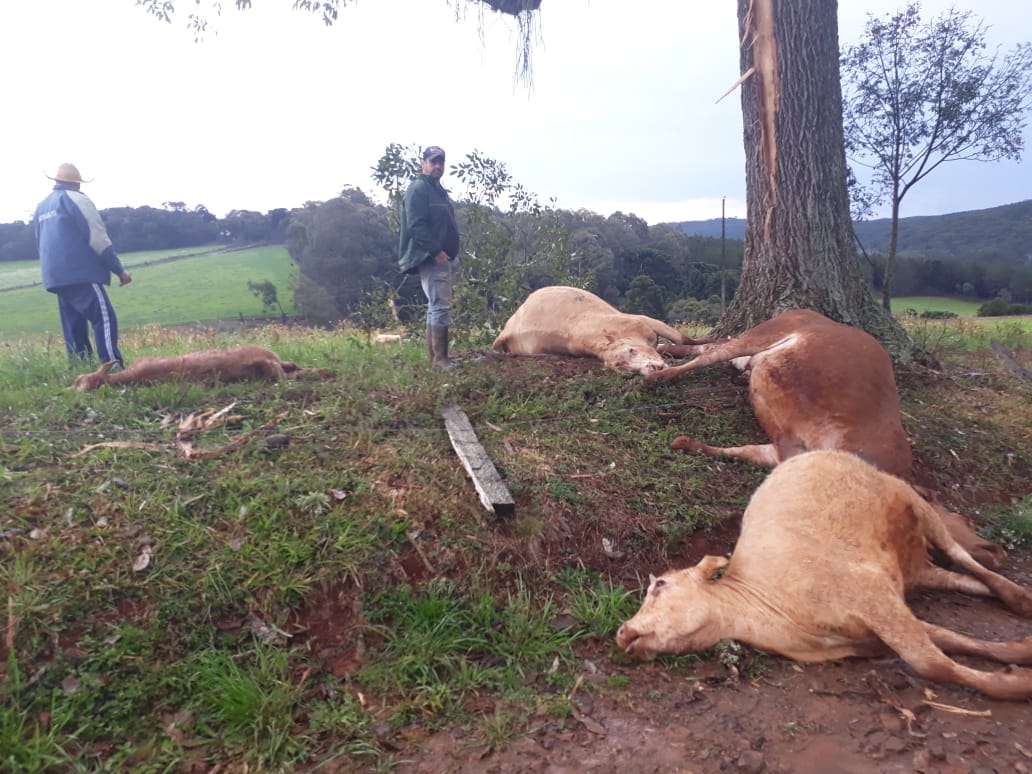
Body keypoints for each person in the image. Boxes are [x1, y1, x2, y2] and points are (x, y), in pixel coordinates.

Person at [33, 163, 132, 368]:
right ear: (77, 182)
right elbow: (97, 237)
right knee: (103, 317)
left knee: (74, 324)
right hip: (81, 273)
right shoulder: (78, 199)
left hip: (55, 276)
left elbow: (39, 240)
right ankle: (112, 365)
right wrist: (118, 269)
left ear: (57, 181)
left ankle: (80, 367)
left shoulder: (42, 206)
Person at [398, 145, 461, 368]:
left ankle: (435, 358)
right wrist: (436, 251)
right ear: (423, 163)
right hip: (432, 258)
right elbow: (416, 225)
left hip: (444, 257)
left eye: (441, 162)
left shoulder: (437, 189)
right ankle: (441, 360)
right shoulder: (418, 189)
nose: (437, 166)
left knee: (435, 305)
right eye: (433, 161)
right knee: (440, 306)